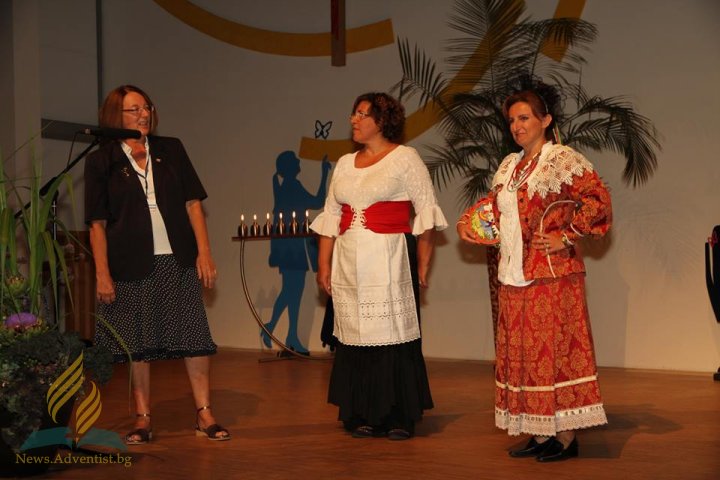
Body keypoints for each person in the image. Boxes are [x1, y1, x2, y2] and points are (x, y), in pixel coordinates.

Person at [458, 83, 611, 461]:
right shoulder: (510, 166)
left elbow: (598, 201)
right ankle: (541, 432)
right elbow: (494, 209)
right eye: (512, 120)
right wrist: (470, 223)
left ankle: (567, 438)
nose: (517, 125)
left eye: (524, 117)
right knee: (525, 356)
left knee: (554, 354)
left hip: (552, 275)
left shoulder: (561, 160)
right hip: (514, 275)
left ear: (545, 120)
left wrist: (566, 236)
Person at [84, 85, 230, 444]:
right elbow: (97, 224)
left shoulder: (170, 149)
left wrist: (204, 251)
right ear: (115, 116)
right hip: (129, 262)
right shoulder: (101, 160)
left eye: (146, 107)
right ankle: (142, 418)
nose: (144, 114)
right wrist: (102, 273)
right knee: (138, 343)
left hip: (177, 257)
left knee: (194, 337)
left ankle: (204, 413)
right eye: (134, 110)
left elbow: (193, 204)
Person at [311, 92, 448, 440]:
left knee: (391, 335)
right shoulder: (344, 163)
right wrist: (323, 265)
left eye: (362, 114)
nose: (353, 120)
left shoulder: (405, 159)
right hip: (348, 261)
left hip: (388, 258)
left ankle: (397, 414)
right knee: (354, 335)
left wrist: (422, 265)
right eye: (353, 113)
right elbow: (331, 216)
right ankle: (360, 412)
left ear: (382, 121)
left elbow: (427, 213)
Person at [263, 150, 331, 354]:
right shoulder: (292, 186)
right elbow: (317, 201)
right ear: (290, 167)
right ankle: (283, 332)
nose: (299, 161)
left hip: (290, 247)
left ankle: (284, 333)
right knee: (293, 291)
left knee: (292, 291)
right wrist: (324, 174)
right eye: (295, 160)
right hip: (292, 248)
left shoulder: (287, 186)